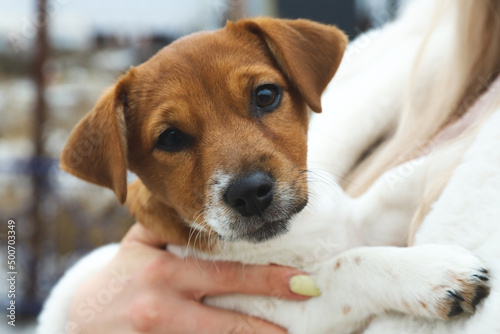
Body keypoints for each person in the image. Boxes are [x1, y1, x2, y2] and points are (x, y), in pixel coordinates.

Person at [38, 0, 500, 333]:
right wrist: (82, 312)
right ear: (127, 166)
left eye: (263, 97)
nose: (245, 181)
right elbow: (289, 316)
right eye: (173, 138)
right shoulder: (177, 263)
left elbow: (357, 229)